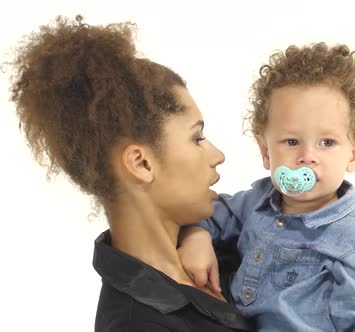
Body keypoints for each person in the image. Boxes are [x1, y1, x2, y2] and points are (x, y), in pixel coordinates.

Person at [9, 15, 252, 331]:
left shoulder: (228, 241)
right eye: (197, 138)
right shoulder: (137, 324)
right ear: (142, 164)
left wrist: (199, 232)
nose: (217, 156)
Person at [179, 42, 355, 331]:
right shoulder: (255, 202)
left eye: (327, 142)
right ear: (266, 152)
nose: (307, 156)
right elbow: (205, 211)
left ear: (354, 154)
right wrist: (197, 236)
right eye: (292, 142)